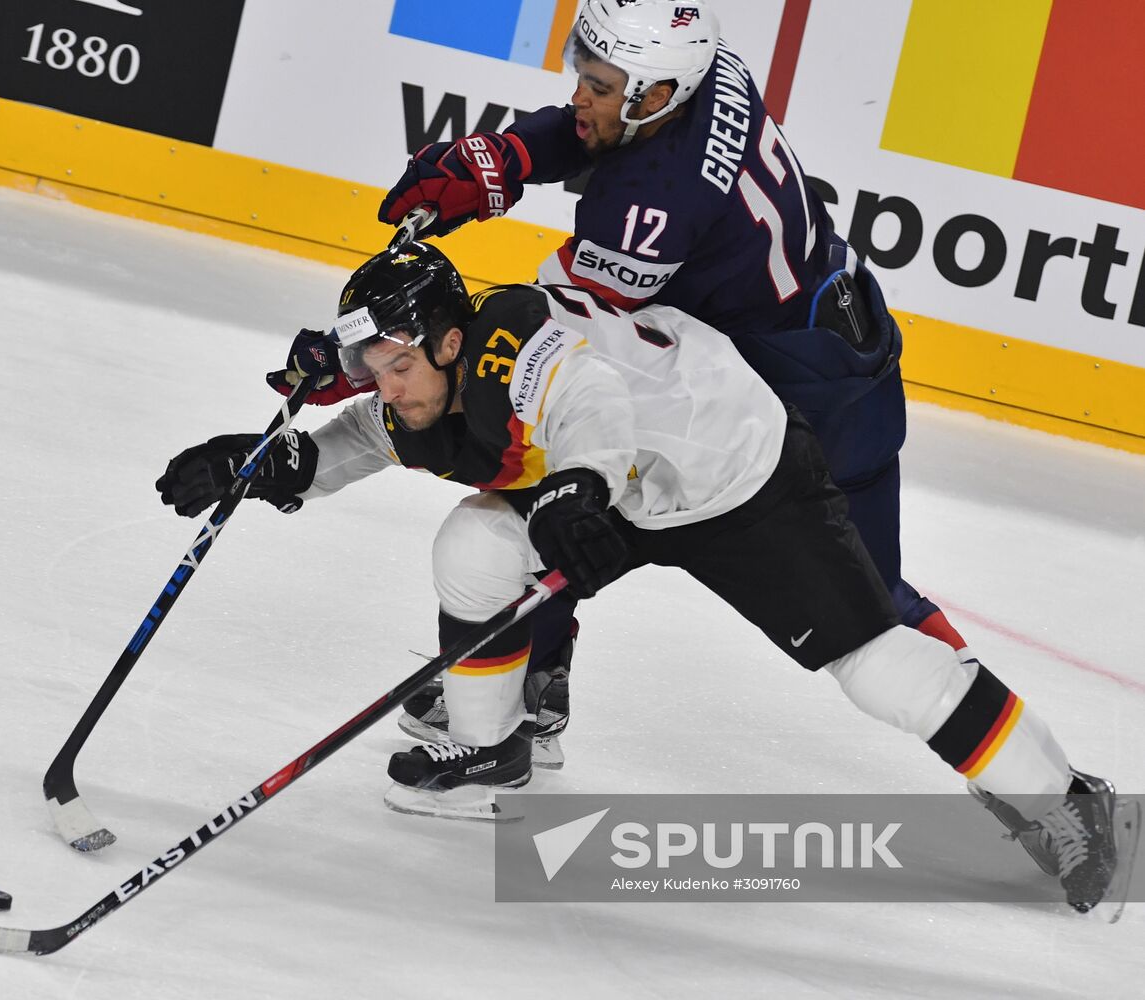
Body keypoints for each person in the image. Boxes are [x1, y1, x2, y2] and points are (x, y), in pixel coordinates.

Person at [156, 241, 1125, 914]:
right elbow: (360, 439)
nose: (383, 382)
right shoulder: (425, 389)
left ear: (450, 344)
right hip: (621, 484)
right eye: (373, 363)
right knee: (475, 546)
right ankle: (492, 749)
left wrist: (578, 490)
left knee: (878, 669)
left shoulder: (509, 347)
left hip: (729, 465)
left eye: (394, 362)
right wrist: (261, 467)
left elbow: (590, 400)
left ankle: (1066, 798)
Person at [376, 1, 968, 764]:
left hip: (790, 399)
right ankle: (533, 677)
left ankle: (527, 682)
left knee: (550, 479)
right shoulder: (703, 67)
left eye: (599, 82)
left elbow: (545, 336)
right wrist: (508, 160)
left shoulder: (647, 207)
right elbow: (598, 127)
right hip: (843, 343)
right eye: (582, 72)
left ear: (655, 94)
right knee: (872, 600)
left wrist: (392, 347)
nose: (578, 94)